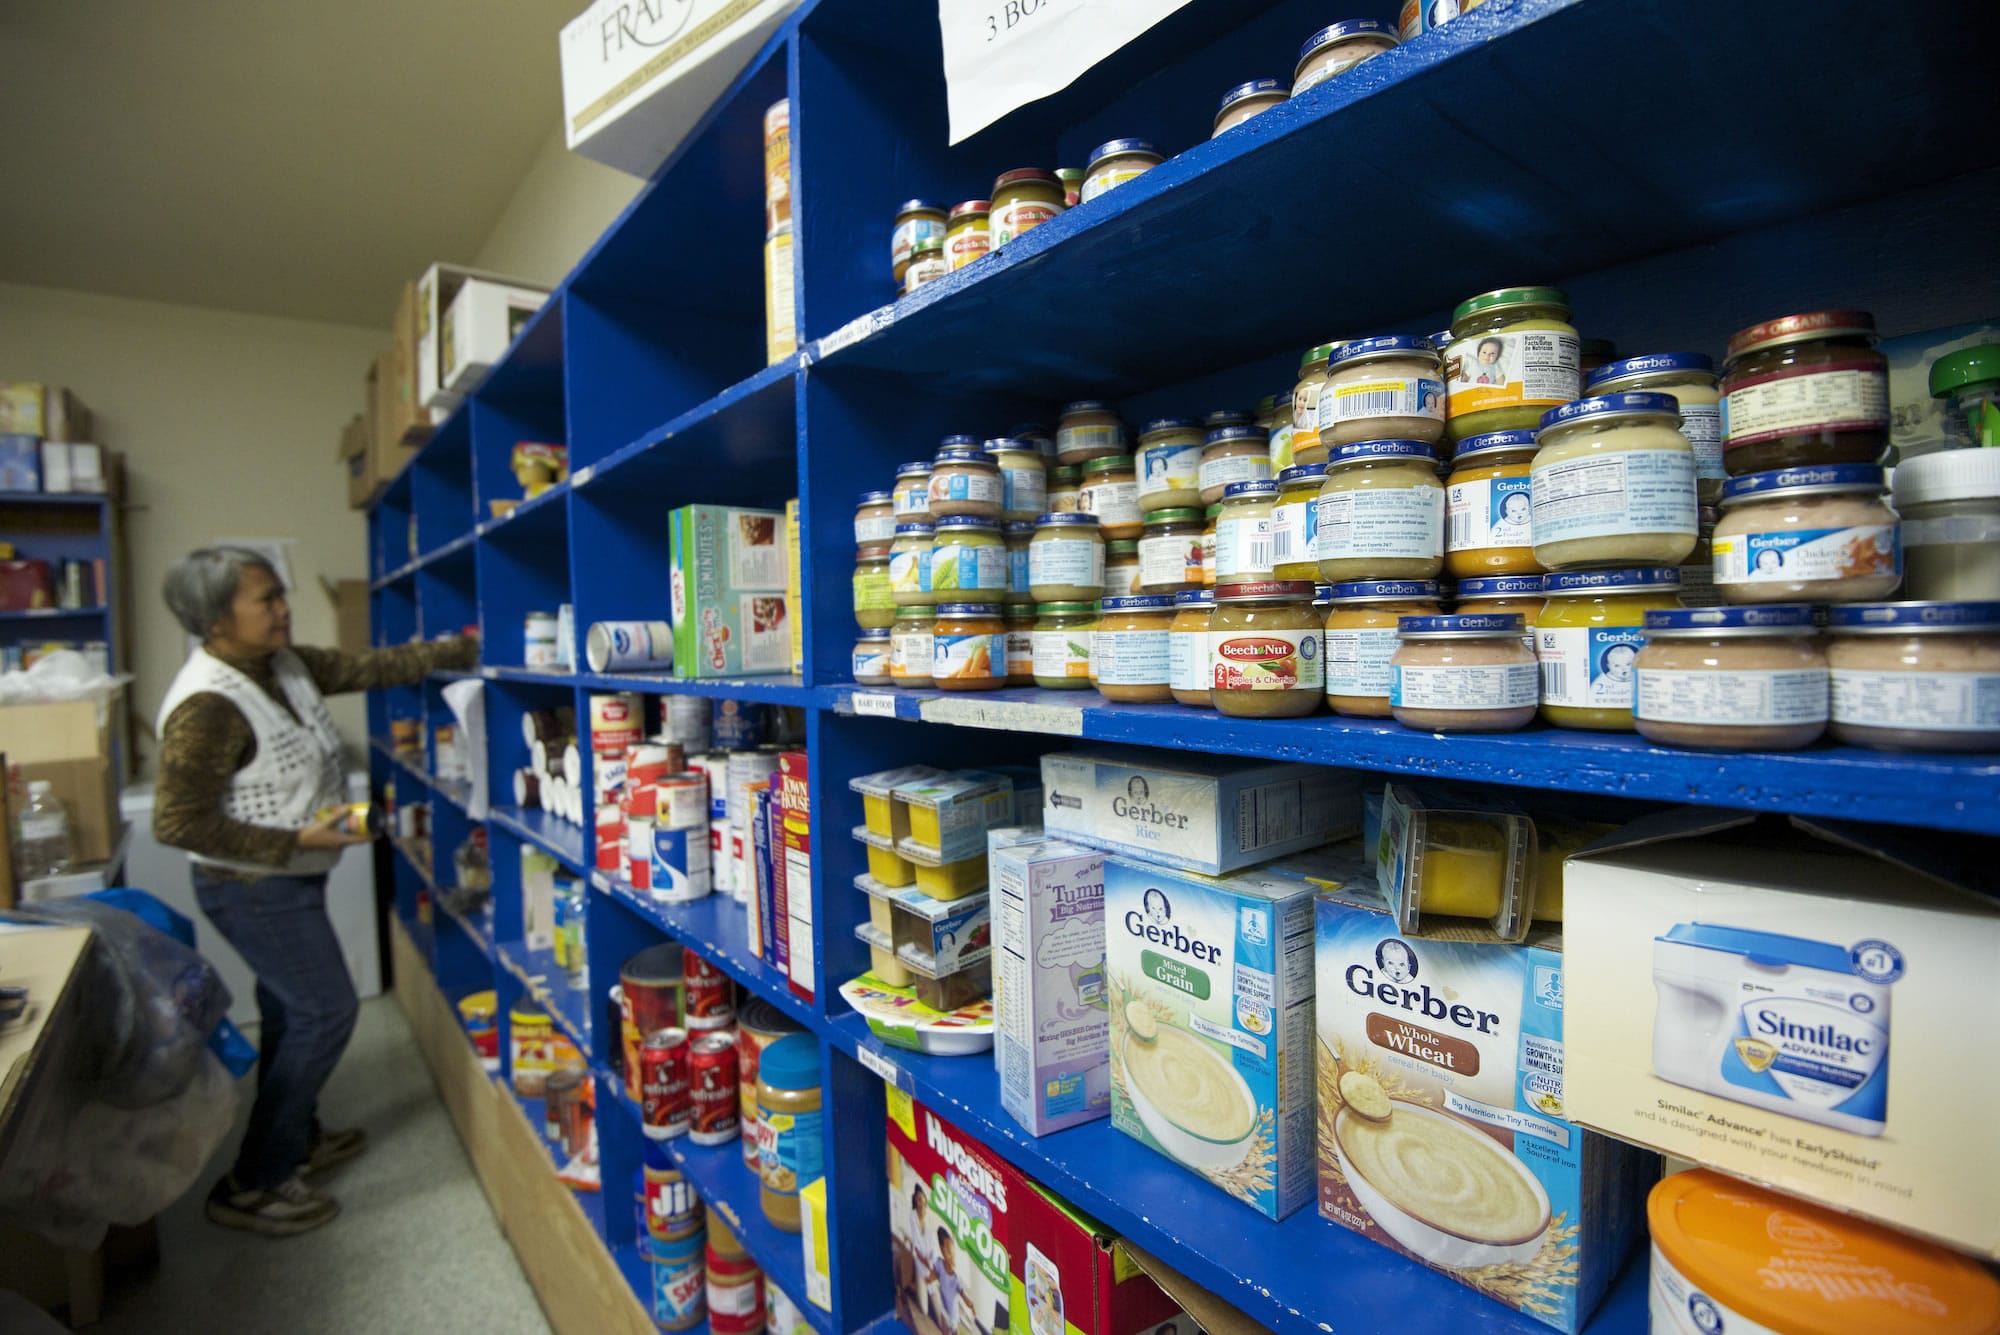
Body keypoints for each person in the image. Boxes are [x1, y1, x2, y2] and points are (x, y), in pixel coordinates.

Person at [154, 546, 477, 1236]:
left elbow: (367, 667)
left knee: (287, 1010)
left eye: (280, 593)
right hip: (250, 887)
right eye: (264, 599)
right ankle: (255, 1179)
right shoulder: (207, 703)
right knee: (326, 1009)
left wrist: (464, 648)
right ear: (214, 618)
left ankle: (296, 1136)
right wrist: (297, 840)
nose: (282, 607)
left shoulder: (282, 664)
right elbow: (177, 821)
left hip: (290, 880)